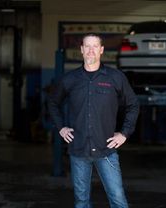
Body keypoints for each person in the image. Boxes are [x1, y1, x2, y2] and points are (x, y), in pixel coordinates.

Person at [49, 33, 139, 208]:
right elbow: (53, 102)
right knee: (81, 202)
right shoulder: (70, 79)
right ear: (81, 50)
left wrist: (124, 133)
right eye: (87, 46)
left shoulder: (115, 77)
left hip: (106, 150)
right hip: (79, 150)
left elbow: (133, 104)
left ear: (101, 50)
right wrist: (60, 127)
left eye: (95, 46)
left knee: (118, 200)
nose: (91, 50)